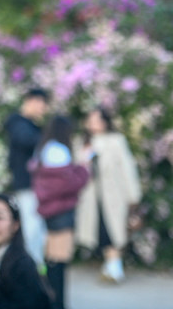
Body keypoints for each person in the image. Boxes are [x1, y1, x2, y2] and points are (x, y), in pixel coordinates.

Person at [74, 106, 142, 283]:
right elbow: (77, 169)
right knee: (100, 230)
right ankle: (112, 265)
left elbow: (127, 169)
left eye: (97, 120)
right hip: (91, 198)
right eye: (91, 120)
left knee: (115, 230)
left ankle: (114, 267)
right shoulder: (82, 143)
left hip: (114, 195)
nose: (93, 124)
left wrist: (133, 196)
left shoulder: (116, 140)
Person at [28, 116, 89, 309]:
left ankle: (50, 302)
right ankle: (56, 304)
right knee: (59, 263)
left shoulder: (43, 148)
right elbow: (67, 183)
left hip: (50, 213)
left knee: (51, 262)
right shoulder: (60, 151)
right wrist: (83, 168)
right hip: (62, 213)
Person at [4, 88, 49, 268]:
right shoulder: (19, 124)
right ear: (30, 101)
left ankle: (36, 267)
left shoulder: (28, 125)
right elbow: (28, 141)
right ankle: (29, 268)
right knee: (31, 228)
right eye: (41, 104)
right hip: (27, 184)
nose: (42, 109)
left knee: (37, 229)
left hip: (35, 185)